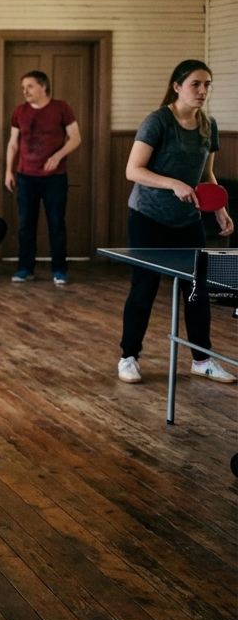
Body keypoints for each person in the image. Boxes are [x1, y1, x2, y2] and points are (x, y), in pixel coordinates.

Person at [117, 60, 234, 385]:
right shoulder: (157, 122)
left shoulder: (208, 125)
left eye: (207, 84)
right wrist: (173, 183)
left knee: (197, 291)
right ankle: (129, 356)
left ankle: (202, 359)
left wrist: (219, 208)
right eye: (196, 84)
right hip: (148, 216)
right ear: (177, 86)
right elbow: (133, 170)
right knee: (144, 288)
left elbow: (206, 174)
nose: (203, 91)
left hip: (188, 220)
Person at [4, 70, 81, 285]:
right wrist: (8, 171)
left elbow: (76, 138)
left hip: (54, 178)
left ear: (43, 86)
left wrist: (57, 156)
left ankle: (59, 270)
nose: (25, 91)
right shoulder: (19, 111)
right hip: (25, 176)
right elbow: (13, 143)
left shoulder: (61, 108)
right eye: (23, 88)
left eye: (29, 86)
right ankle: (24, 268)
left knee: (56, 223)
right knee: (26, 224)